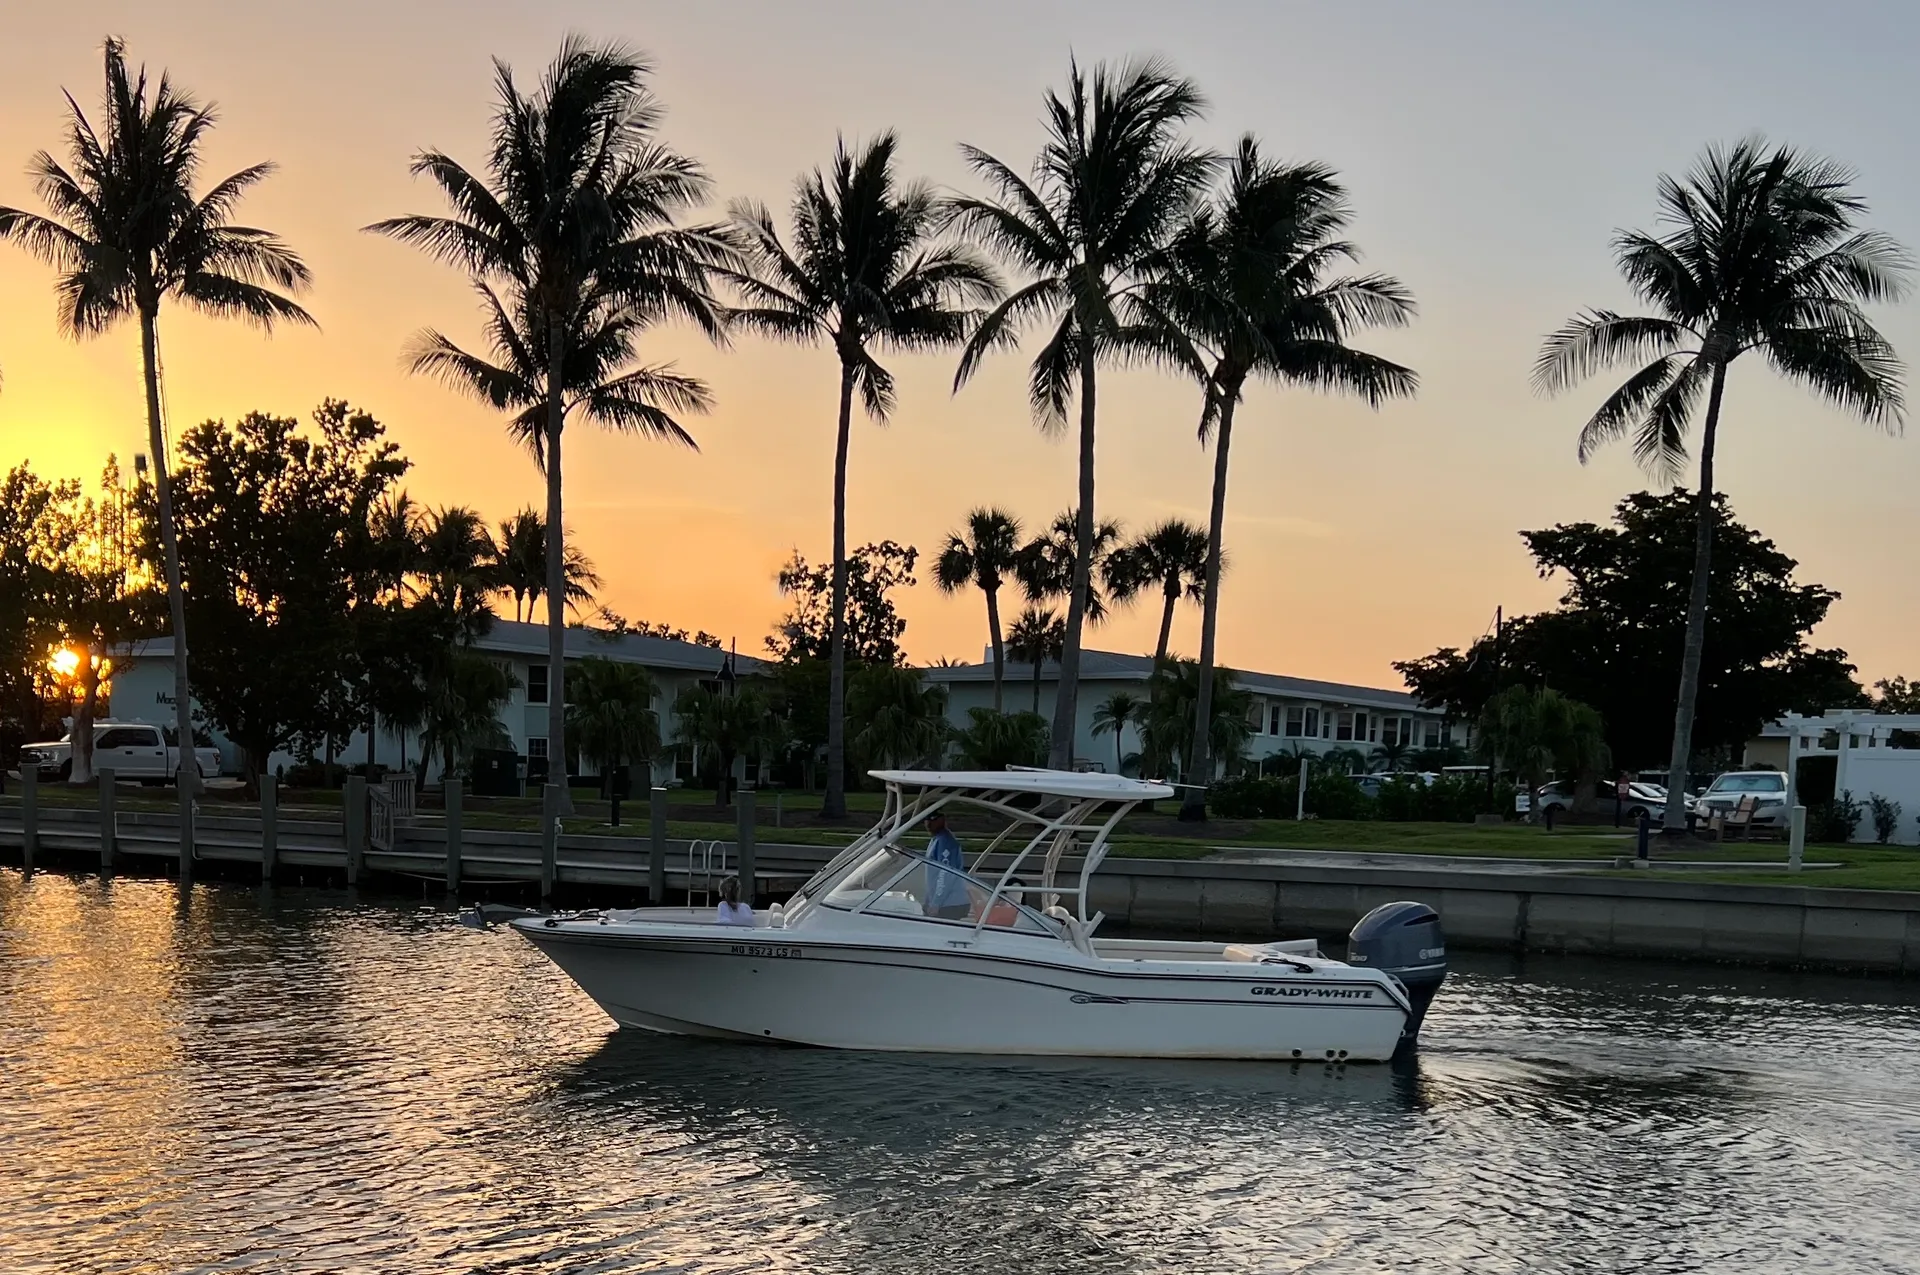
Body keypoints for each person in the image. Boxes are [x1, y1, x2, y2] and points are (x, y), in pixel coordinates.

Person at [922, 811, 971, 920]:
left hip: (949, 904)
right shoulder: (936, 839)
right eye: (926, 820)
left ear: (942, 820)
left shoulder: (945, 842)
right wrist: (928, 899)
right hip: (944, 902)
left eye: (933, 820)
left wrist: (936, 903)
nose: (928, 824)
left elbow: (946, 874)